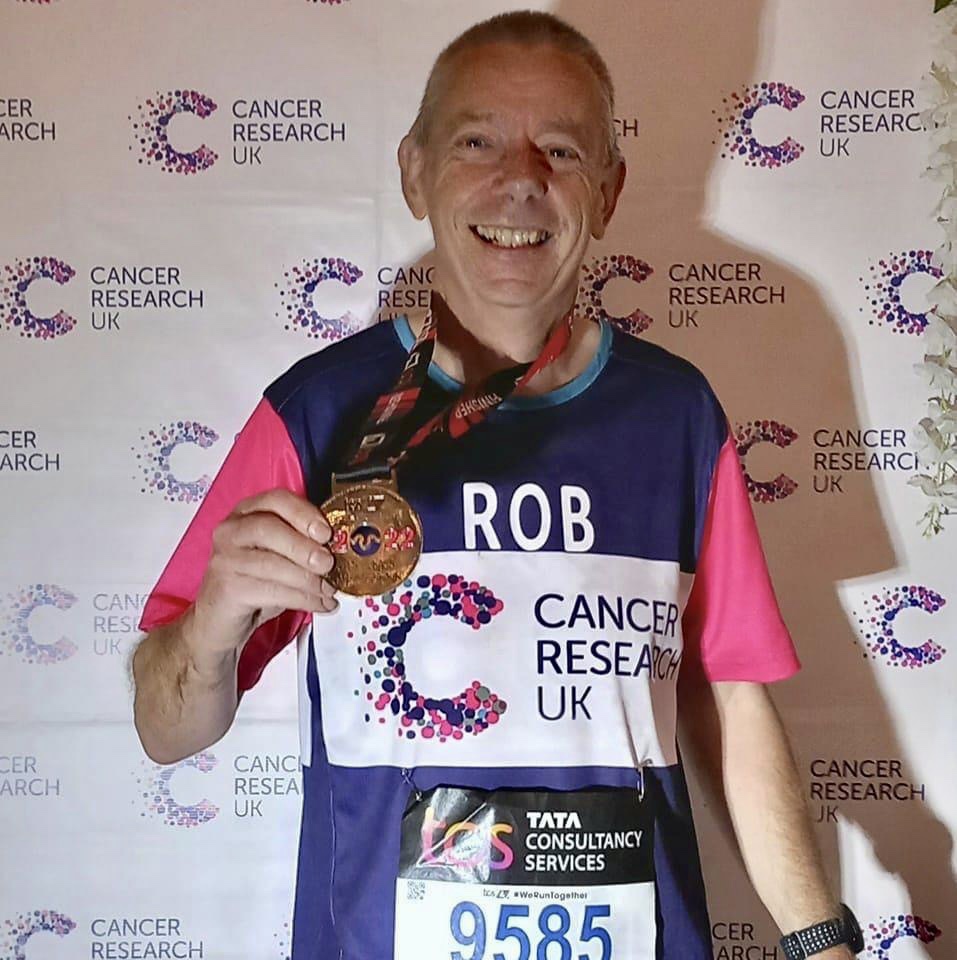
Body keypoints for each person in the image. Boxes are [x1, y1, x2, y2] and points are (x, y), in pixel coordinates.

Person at [132, 11, 864, 960]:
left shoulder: (676, 415)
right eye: (477, 141)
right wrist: (213, 623)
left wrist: (820, 941)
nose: (520, 179)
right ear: (414, 172)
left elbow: (727, 699)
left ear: (608, 192)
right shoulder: (317, 411)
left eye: (561, 149)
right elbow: (165, 730)